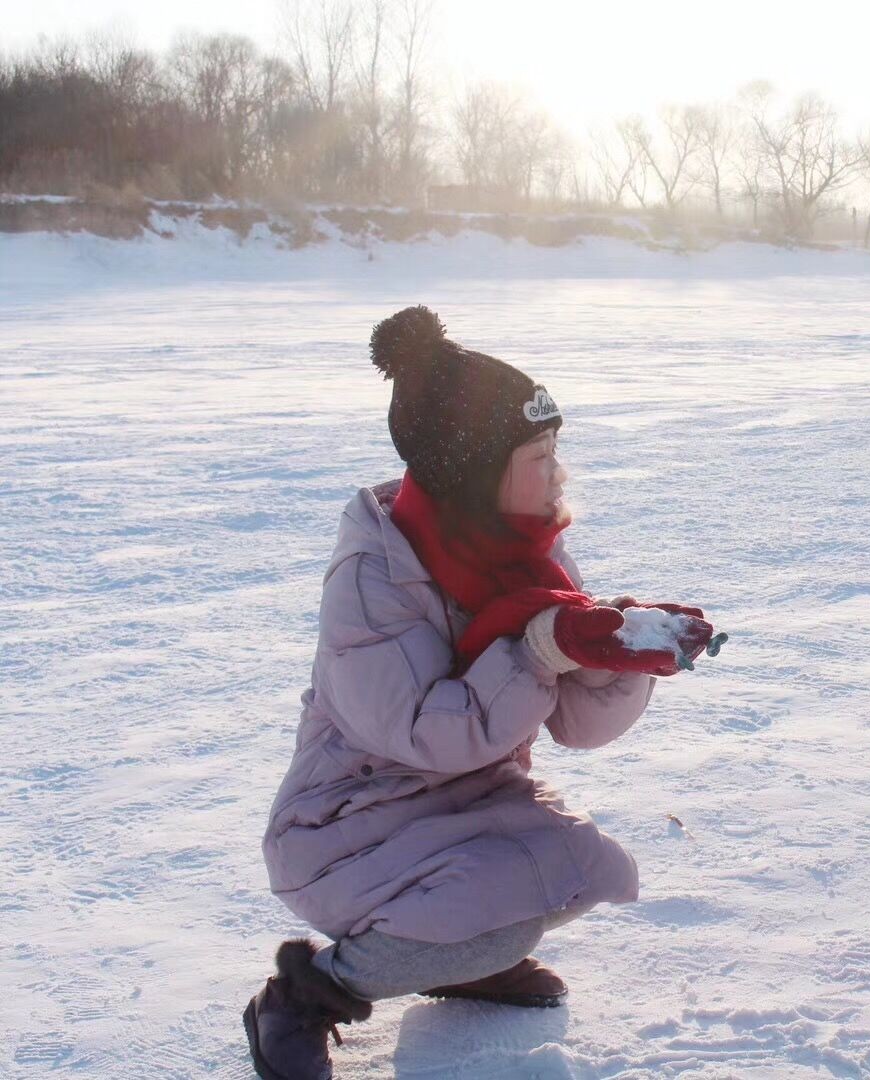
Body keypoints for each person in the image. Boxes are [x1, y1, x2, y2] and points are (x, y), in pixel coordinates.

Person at [244, 306, 713, 1079]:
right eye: (537, 454)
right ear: (472, 471)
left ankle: (454, 957)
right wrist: (539, 648)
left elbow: (579, 725)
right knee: (501, 905)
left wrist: (616, 649)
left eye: (555, 448)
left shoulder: (528, 547)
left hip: (469, 804)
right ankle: (303, 997)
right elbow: (429, 734)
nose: (557, 472)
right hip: (345, 829)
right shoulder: (375, 573)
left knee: (577, 869)